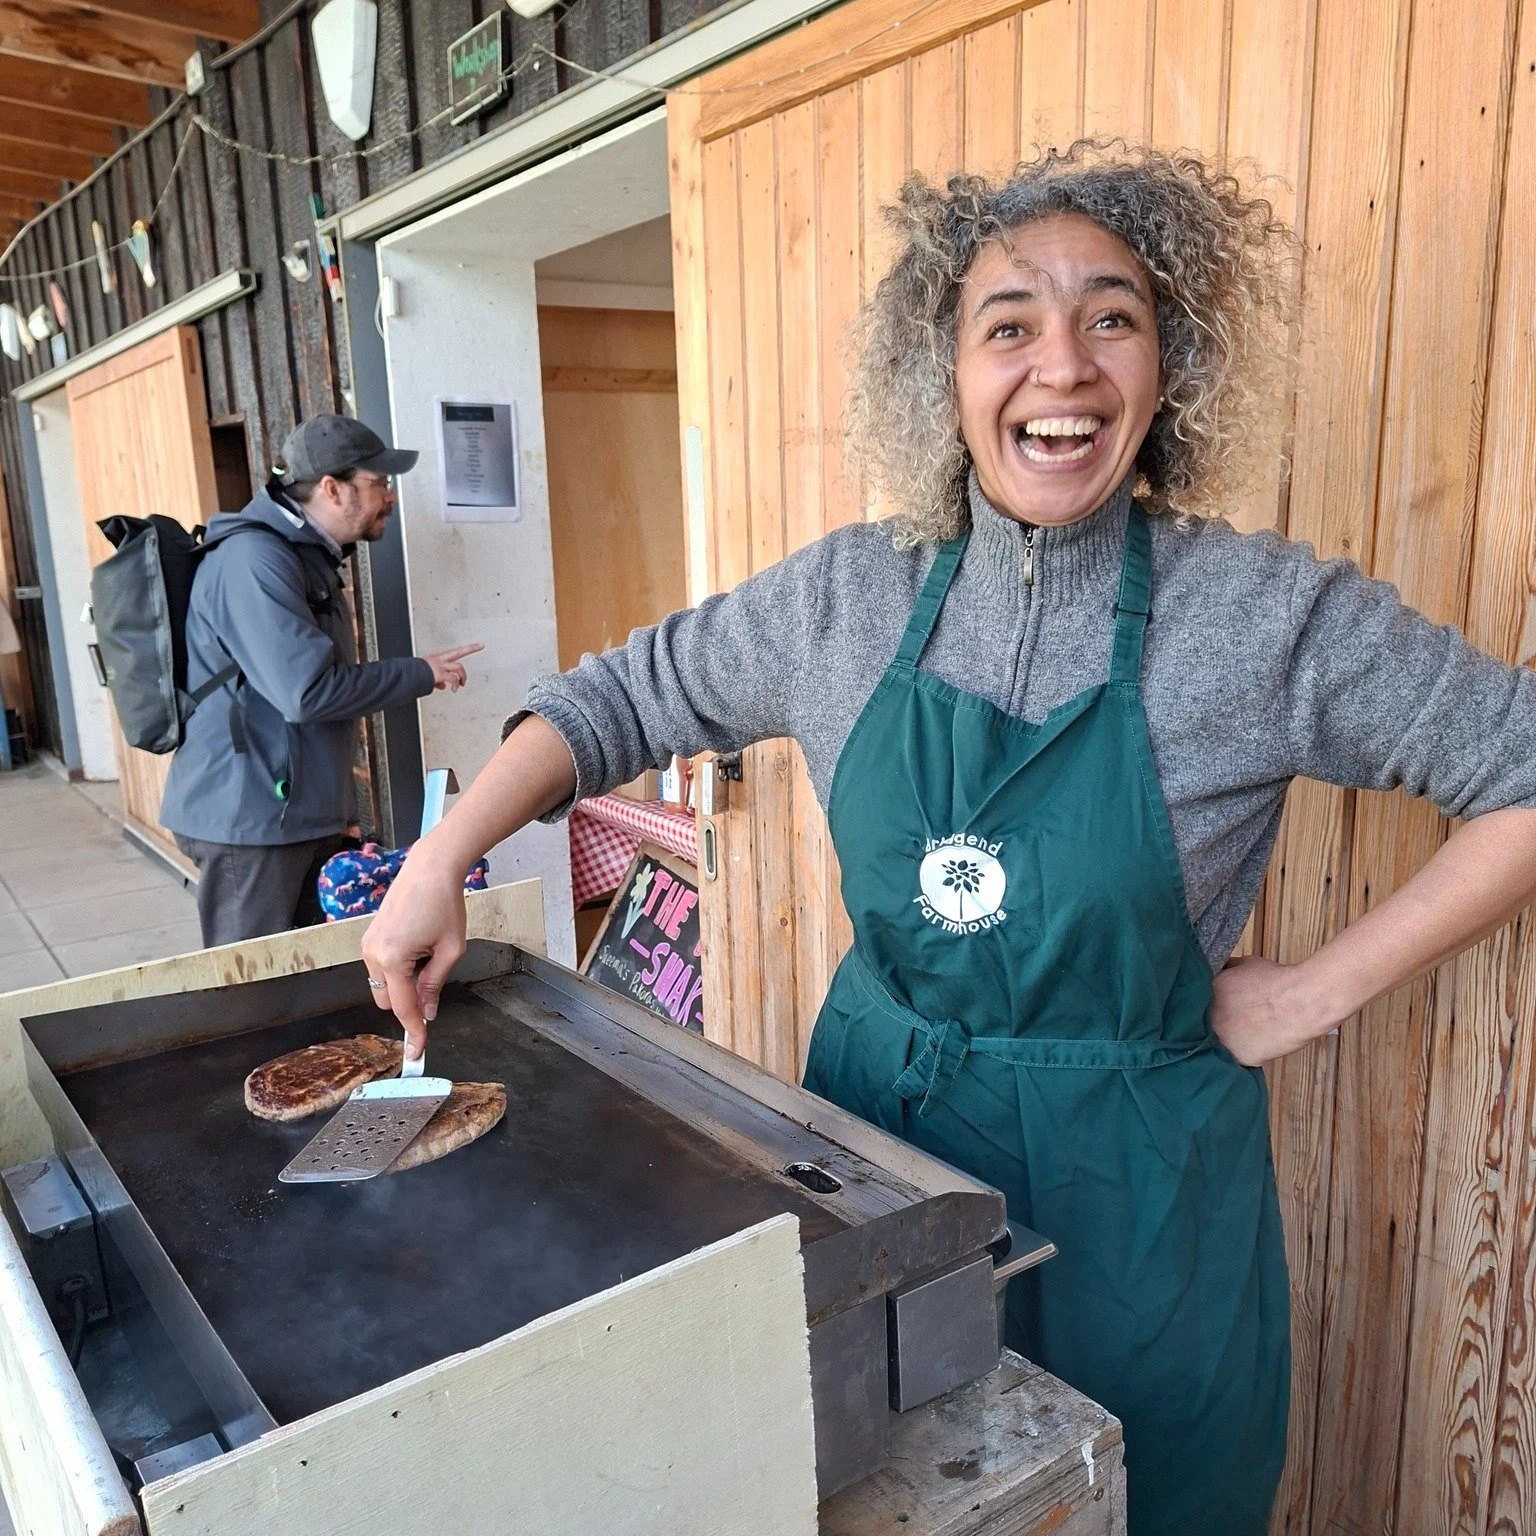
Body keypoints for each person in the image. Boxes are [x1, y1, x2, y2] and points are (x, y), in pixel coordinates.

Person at [358, 144, 1536, 1535]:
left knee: (1140, 1500)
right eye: (1010, 325)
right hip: (878, 1144)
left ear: (1170, 369)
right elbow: (614, 700)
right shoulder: (849, 601)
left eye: (1114, 316)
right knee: (876, 1489)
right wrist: (442, 860)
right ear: (948, 374)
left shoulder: (1262, 619)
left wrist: (1314, 992)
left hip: (1143, 1194)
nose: (1065, 367)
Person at [161, 415, 483, 947]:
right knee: (253, 991)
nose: (390, 498)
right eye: (378, 483)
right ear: (333, 489)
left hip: (288, 815)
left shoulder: (301, 557)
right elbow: (308, 693)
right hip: (250, 822)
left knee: (306, 980)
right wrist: (419, 672)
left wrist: (335, 816)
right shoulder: (254, 561)